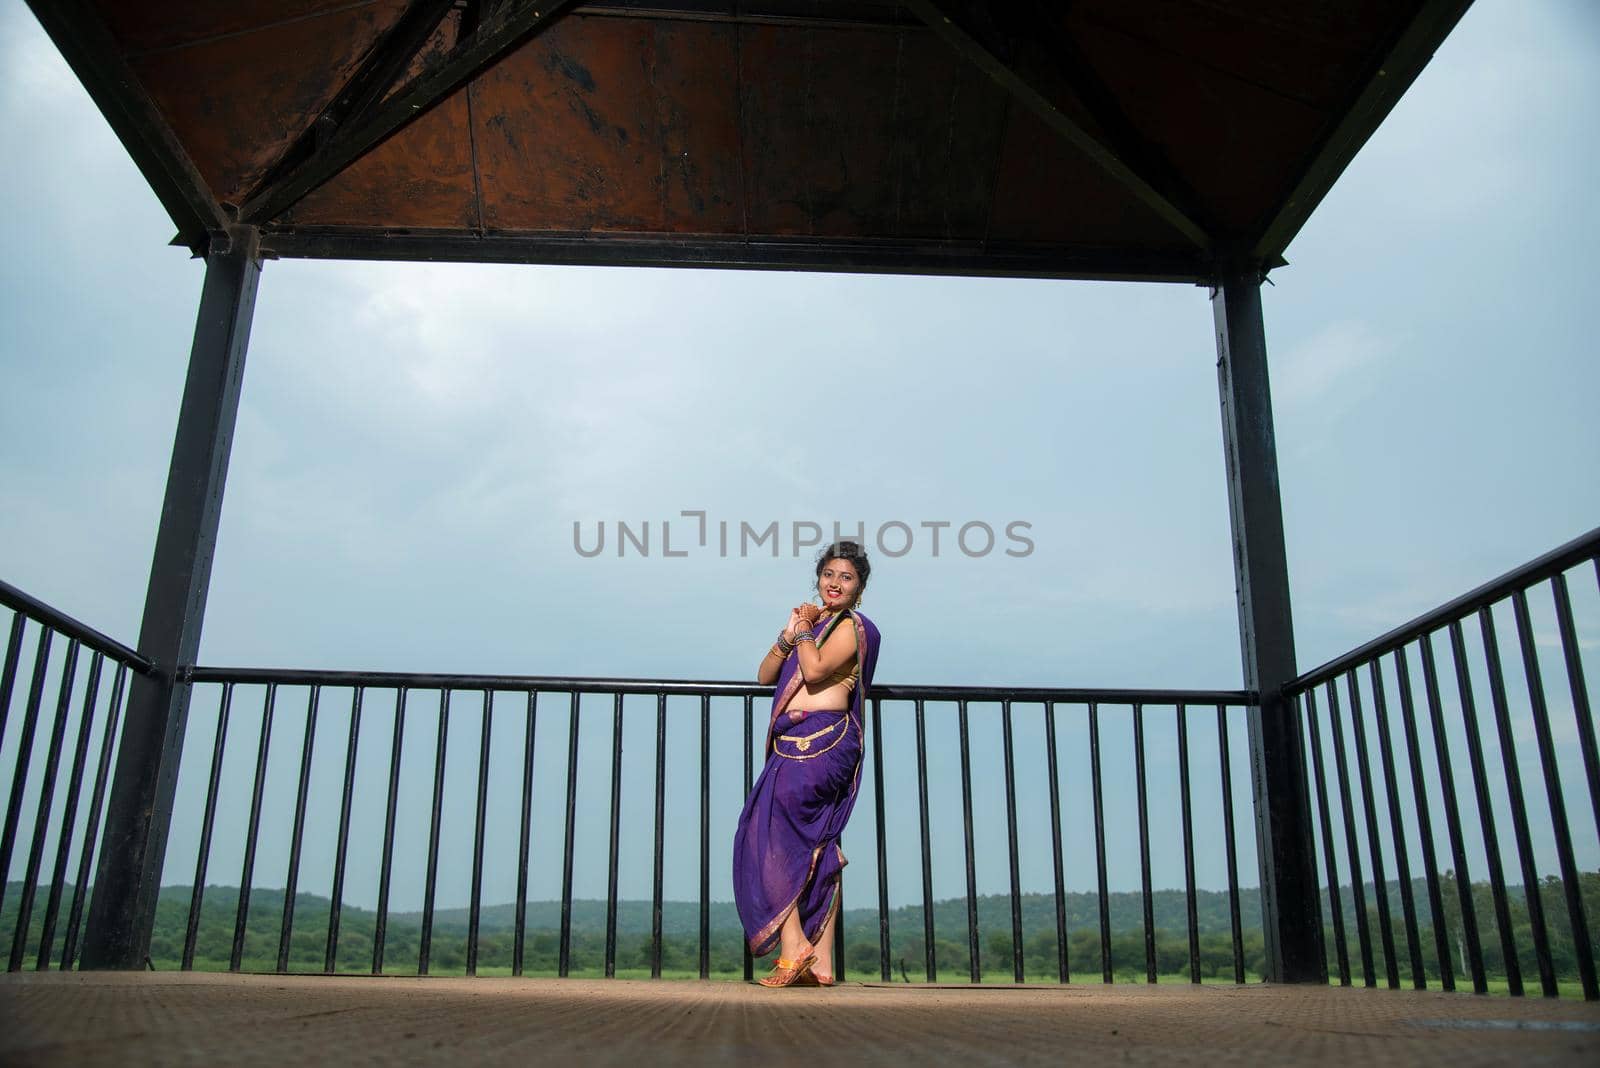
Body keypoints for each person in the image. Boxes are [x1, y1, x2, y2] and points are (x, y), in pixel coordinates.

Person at [733, 540, 881, 988]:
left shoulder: (854, 627)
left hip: (822, 743)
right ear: (818, 578)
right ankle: (820, 963)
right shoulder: (816, 626)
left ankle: (796, 945)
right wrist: (789, 633)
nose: (834, 584)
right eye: (828, 575)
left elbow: (814, 672)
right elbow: (764, 675)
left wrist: (802, 631)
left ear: (860, 587)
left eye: (846, 577)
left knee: (769, 840)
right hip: (794, 742)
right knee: (819, 848)